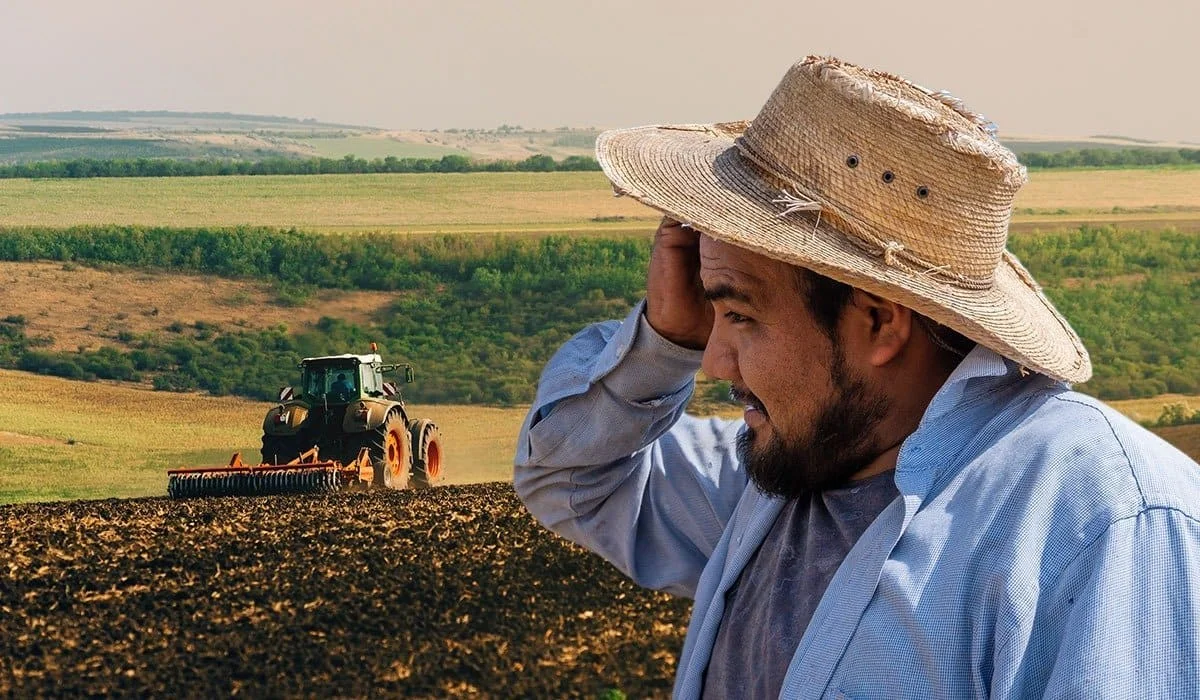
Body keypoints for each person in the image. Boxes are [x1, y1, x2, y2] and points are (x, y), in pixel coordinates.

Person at [513, 56, 1200, 699]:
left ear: (878, 321)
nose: (715, 362)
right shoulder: (791, 469)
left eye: (741, 315)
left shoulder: (1101, 524)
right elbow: (574, 477)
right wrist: (662, 344)